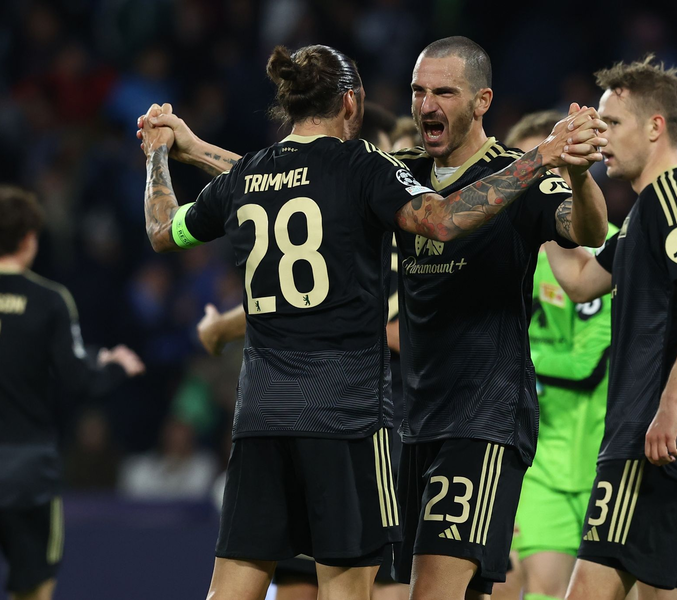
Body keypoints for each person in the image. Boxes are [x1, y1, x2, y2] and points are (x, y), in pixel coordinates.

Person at [138, 43, 604, 600]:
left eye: (443, 92)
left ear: (482, 101)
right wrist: (191, 150)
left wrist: (573, 175)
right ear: (353, 103)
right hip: (393, 422)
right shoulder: (388, 171)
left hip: (477, 418)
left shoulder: (504, 173)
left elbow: (590, 233)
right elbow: (332, 184)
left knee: (430, 590)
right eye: (418, 92)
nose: (426, 105)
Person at [194, 104, 410, 600]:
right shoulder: (377, 210)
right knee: (356, 578)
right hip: (356, 417)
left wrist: (223, 327)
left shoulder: (362, 196)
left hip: (280, 410)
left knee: (278, 576)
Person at [543, 56, 677, 600]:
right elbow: (578, 280)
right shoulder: (644, 216)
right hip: (669, 443)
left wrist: (670, 402)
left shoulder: (673, 197)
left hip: (647, 440)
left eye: (612, 123)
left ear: (655, 126)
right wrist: (560, 183)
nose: (601, 138)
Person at [0, 185, 145, 600]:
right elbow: (81, 378)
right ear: (28, 239)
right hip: (25, 476)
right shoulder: (48, 301)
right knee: (32, 592)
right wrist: (115, 365)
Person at [495, 111, 618, 600]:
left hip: (599, 462)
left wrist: (513, 357)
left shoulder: (606, 246)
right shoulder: (503, 251)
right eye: (529, 170)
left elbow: (589, 361)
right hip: (535, 466)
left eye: (548, 168)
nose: (540, 182)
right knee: (538, 587)